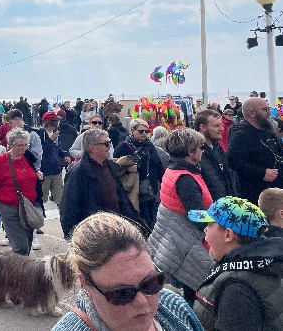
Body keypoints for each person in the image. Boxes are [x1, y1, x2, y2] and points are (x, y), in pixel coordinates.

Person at [51, 212, 203, 331]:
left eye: (150, 284)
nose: (142, 301)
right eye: (122, 294)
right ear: (85, 284)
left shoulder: (174, 305)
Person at [188, 196, 283, 330]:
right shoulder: (263, 263)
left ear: (228, 234)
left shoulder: (237, 291)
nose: (205, 231)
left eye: (209, 225)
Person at [148, 128, 215, 305]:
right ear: (190, 151)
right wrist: (218, 225)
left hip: (178, 239)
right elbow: (196, 215)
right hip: (189, 241)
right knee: (197, 289)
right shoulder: (185, 179)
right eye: (200, 146)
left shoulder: (174, 170)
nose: (203, 150)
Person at [59, 129, 142, 238]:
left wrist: (134, 222)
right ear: (92, 147)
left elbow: (121, 198)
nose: (109, 147)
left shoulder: (110, 167)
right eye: (106, 144)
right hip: (93, 235)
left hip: (114, 231)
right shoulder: (78, 172)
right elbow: (68, 209)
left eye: (110, 143)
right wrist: (73, 240)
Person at [0, 128, 43, 255]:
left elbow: (32, 175)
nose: (24, 148)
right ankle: (15, 271)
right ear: (10, 145)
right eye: (20, 145)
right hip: (9, 208)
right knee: (20, 246)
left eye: (26, 145)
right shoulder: (1, 161)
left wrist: (38, 175)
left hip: (28, 207)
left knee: (27, 244)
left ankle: (22, 271)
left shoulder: (28, 157)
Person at [227, 96, 283, 204]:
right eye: (265, 109)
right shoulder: (241, 134)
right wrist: (261, 173)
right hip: (257, 193)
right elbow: (232, 161)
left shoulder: (267, 129)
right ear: (252, 112)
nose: (269, 113)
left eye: (269, 109)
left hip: (276, 190)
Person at [114, 119, 165, 229]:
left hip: (150, 190)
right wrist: (127, 170)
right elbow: (114, 168)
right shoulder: (123, 147)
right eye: (141, 131)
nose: (144, 134)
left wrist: (164, 185)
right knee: (139, 221)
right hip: (132, 190)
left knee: (151, 220)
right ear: (133, 130)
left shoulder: (149, 146)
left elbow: (158, 166)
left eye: (146, 132)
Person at [194, 110, 236, 200]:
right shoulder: (194, 154)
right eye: (217, 126)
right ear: (203, 127)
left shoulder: (217, 147)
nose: (222, 129)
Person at [37, 111, 67, 206]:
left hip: (56, 170)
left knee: (60, 197)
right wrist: (50, 140)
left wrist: (66, 155)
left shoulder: (55, 134)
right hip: (44, 171)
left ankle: (63, 216)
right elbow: (40, 150)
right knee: (43, 198)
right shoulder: (40, 134)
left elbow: (59, 149)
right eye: (54, 123)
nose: (55, 125)